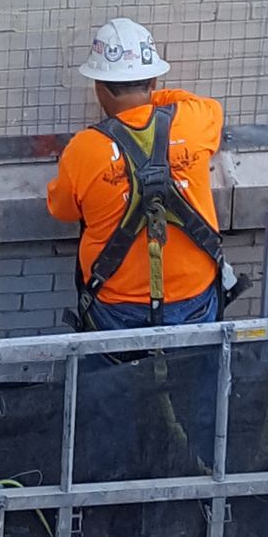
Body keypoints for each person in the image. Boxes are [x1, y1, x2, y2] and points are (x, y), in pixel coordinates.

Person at [46, 18, 227, 328]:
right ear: (154, 82)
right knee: (198, 374)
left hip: (117, 304)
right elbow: (208, 107)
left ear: (99, 88)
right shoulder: (195, 122)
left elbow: (61, 210)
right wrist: (148, 98)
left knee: (113, 377)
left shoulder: (84, 150)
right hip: (195, 297)